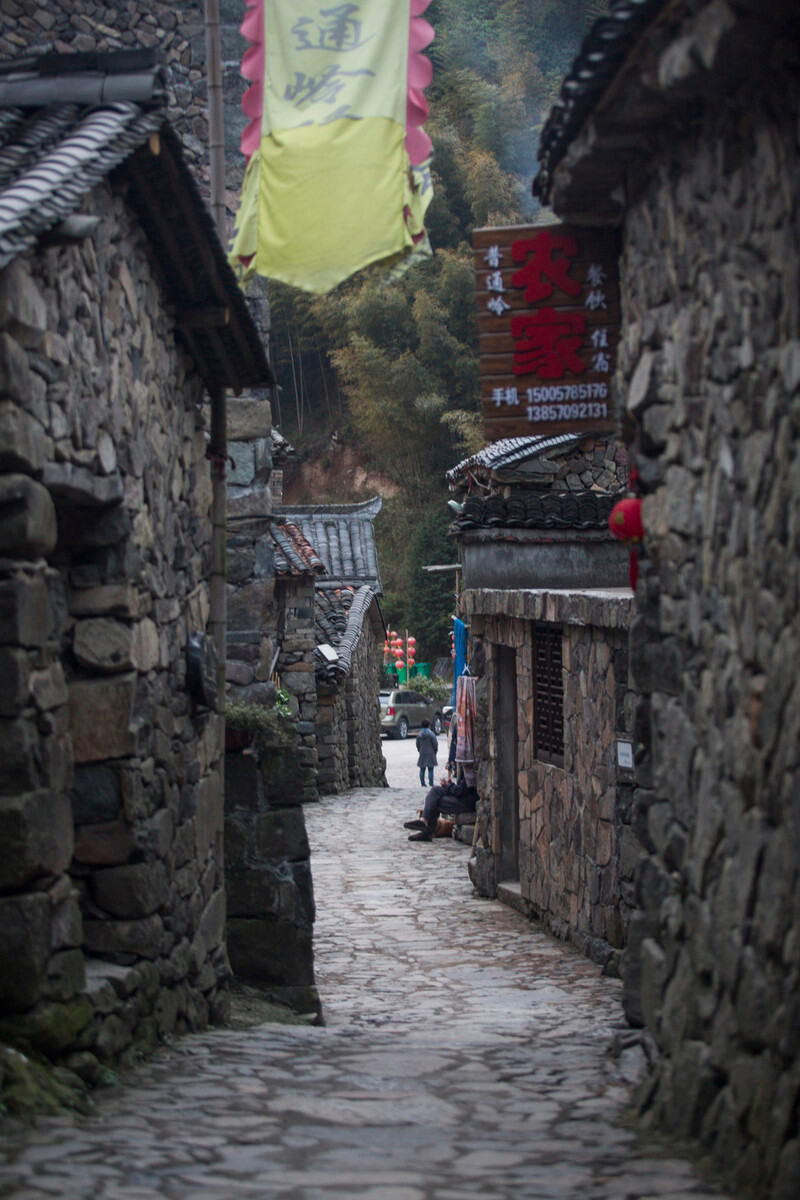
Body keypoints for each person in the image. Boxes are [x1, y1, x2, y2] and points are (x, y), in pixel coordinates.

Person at [405, 772, 478, 843]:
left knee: (436, 801)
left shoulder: (470, 770)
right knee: (435, 790)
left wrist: (448, 785)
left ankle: (427, 832)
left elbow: (460, 791)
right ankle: (424, 820)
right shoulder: (464, 768)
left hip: (468, 801)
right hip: (462, 795)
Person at [415, 718, 438, 788]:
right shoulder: (431, 734)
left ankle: (423, 783)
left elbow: (417, 744)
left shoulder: (419, 735)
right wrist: (435, 750)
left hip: (422, 752)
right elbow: (435, 744)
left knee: (422, 769)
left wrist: (419, 750)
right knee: (431, 769)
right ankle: (431, 783)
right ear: (429, 725)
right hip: (430, 753)